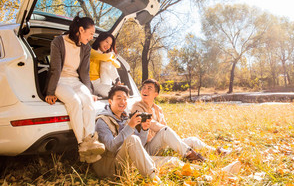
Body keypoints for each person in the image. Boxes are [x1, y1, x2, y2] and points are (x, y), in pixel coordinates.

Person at [93, 85, 207, 181]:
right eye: (119, 98)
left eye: (125, 99)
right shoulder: (103, 121)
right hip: (114, 166)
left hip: (134, 159)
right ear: (110, 101)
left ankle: (196, 164)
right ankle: (153, 180)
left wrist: (144, 129)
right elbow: (111, 147)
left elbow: (140, 144)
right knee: (133, 139)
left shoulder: (125, 117)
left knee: (171, 156)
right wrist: (130, 126)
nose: (123, 102)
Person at [44, 16, 105, 163]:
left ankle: (90, 140)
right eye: (90, 34)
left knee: (89, 102)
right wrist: (50, 92)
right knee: (75, 102)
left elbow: (84, 72)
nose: (92, 38)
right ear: (81, 30)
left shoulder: (86, 48)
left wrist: (90, 92)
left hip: (75, 81)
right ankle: (82, 145)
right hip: (60, 81)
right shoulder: (58, 42)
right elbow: (55, 69)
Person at [132, 79, 239, 156]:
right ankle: (189, 154)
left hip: (161, 145)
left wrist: (172, 137)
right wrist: (168, 133)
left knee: (192, 140)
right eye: (143, 88)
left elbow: (165, 127)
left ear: (156, 94)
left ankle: (216, 151)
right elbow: (153, 125)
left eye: (149, 88)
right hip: (147, 148)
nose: (144, 90)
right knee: (165, 131)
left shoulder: (158, 109)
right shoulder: (137, 106)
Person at [90, 32, 121, 98]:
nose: (108, 46)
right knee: (116, 93)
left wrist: (111, 58)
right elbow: (104, 57)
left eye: (110, 44)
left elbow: (118, 65)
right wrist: (111, 56)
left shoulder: (107, 56)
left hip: (104, 81)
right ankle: (116, 83)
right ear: (100, 40)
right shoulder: (90, 51)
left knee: (107, 62)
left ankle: (117, 81)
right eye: (106, 42)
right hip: (92, 83)